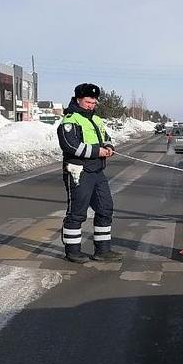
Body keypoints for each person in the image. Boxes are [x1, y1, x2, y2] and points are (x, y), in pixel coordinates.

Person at [59, 83, 122, 264]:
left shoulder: (96, 120)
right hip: (78, 171)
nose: (91, 105)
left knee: (105, 209)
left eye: (94, 102)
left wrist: (108, 146)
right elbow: (70, 146)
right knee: (77, 213)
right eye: (88, 101)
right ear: (79, 99)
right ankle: (72, 252)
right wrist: (97, 151)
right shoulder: (70, 120)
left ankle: (102, 250)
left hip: (97, 171)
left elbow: (106, 137)